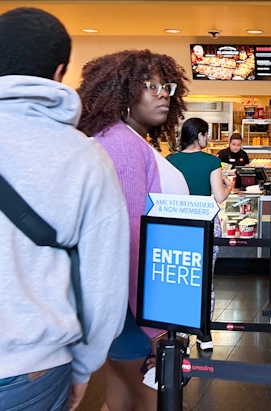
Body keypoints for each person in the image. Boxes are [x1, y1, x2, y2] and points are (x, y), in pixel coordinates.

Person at [0, 7, 129, 411]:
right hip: (36, 371)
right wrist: (84, 368)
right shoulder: (85, 157)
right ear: (60, 71)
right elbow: (105, 281)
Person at [77, 49, 189, 411]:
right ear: (122, 92)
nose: (162, 94)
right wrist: (156, 327)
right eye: (150, 86)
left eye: (166, 86)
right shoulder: (124, 146)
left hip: (114, 301)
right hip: (133, 305)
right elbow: (132, 238)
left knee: (121, 391)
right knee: (150, 397)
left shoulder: (112, 138)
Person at [167, 118, 234, 353]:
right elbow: (219, 196)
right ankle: (204, 335)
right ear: (201, 135)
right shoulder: (211, 161)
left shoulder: (170, 161)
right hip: (205, 223)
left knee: (182, 278)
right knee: (206, 279)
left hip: (178, 224)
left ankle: (182, 336)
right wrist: (229, 186)